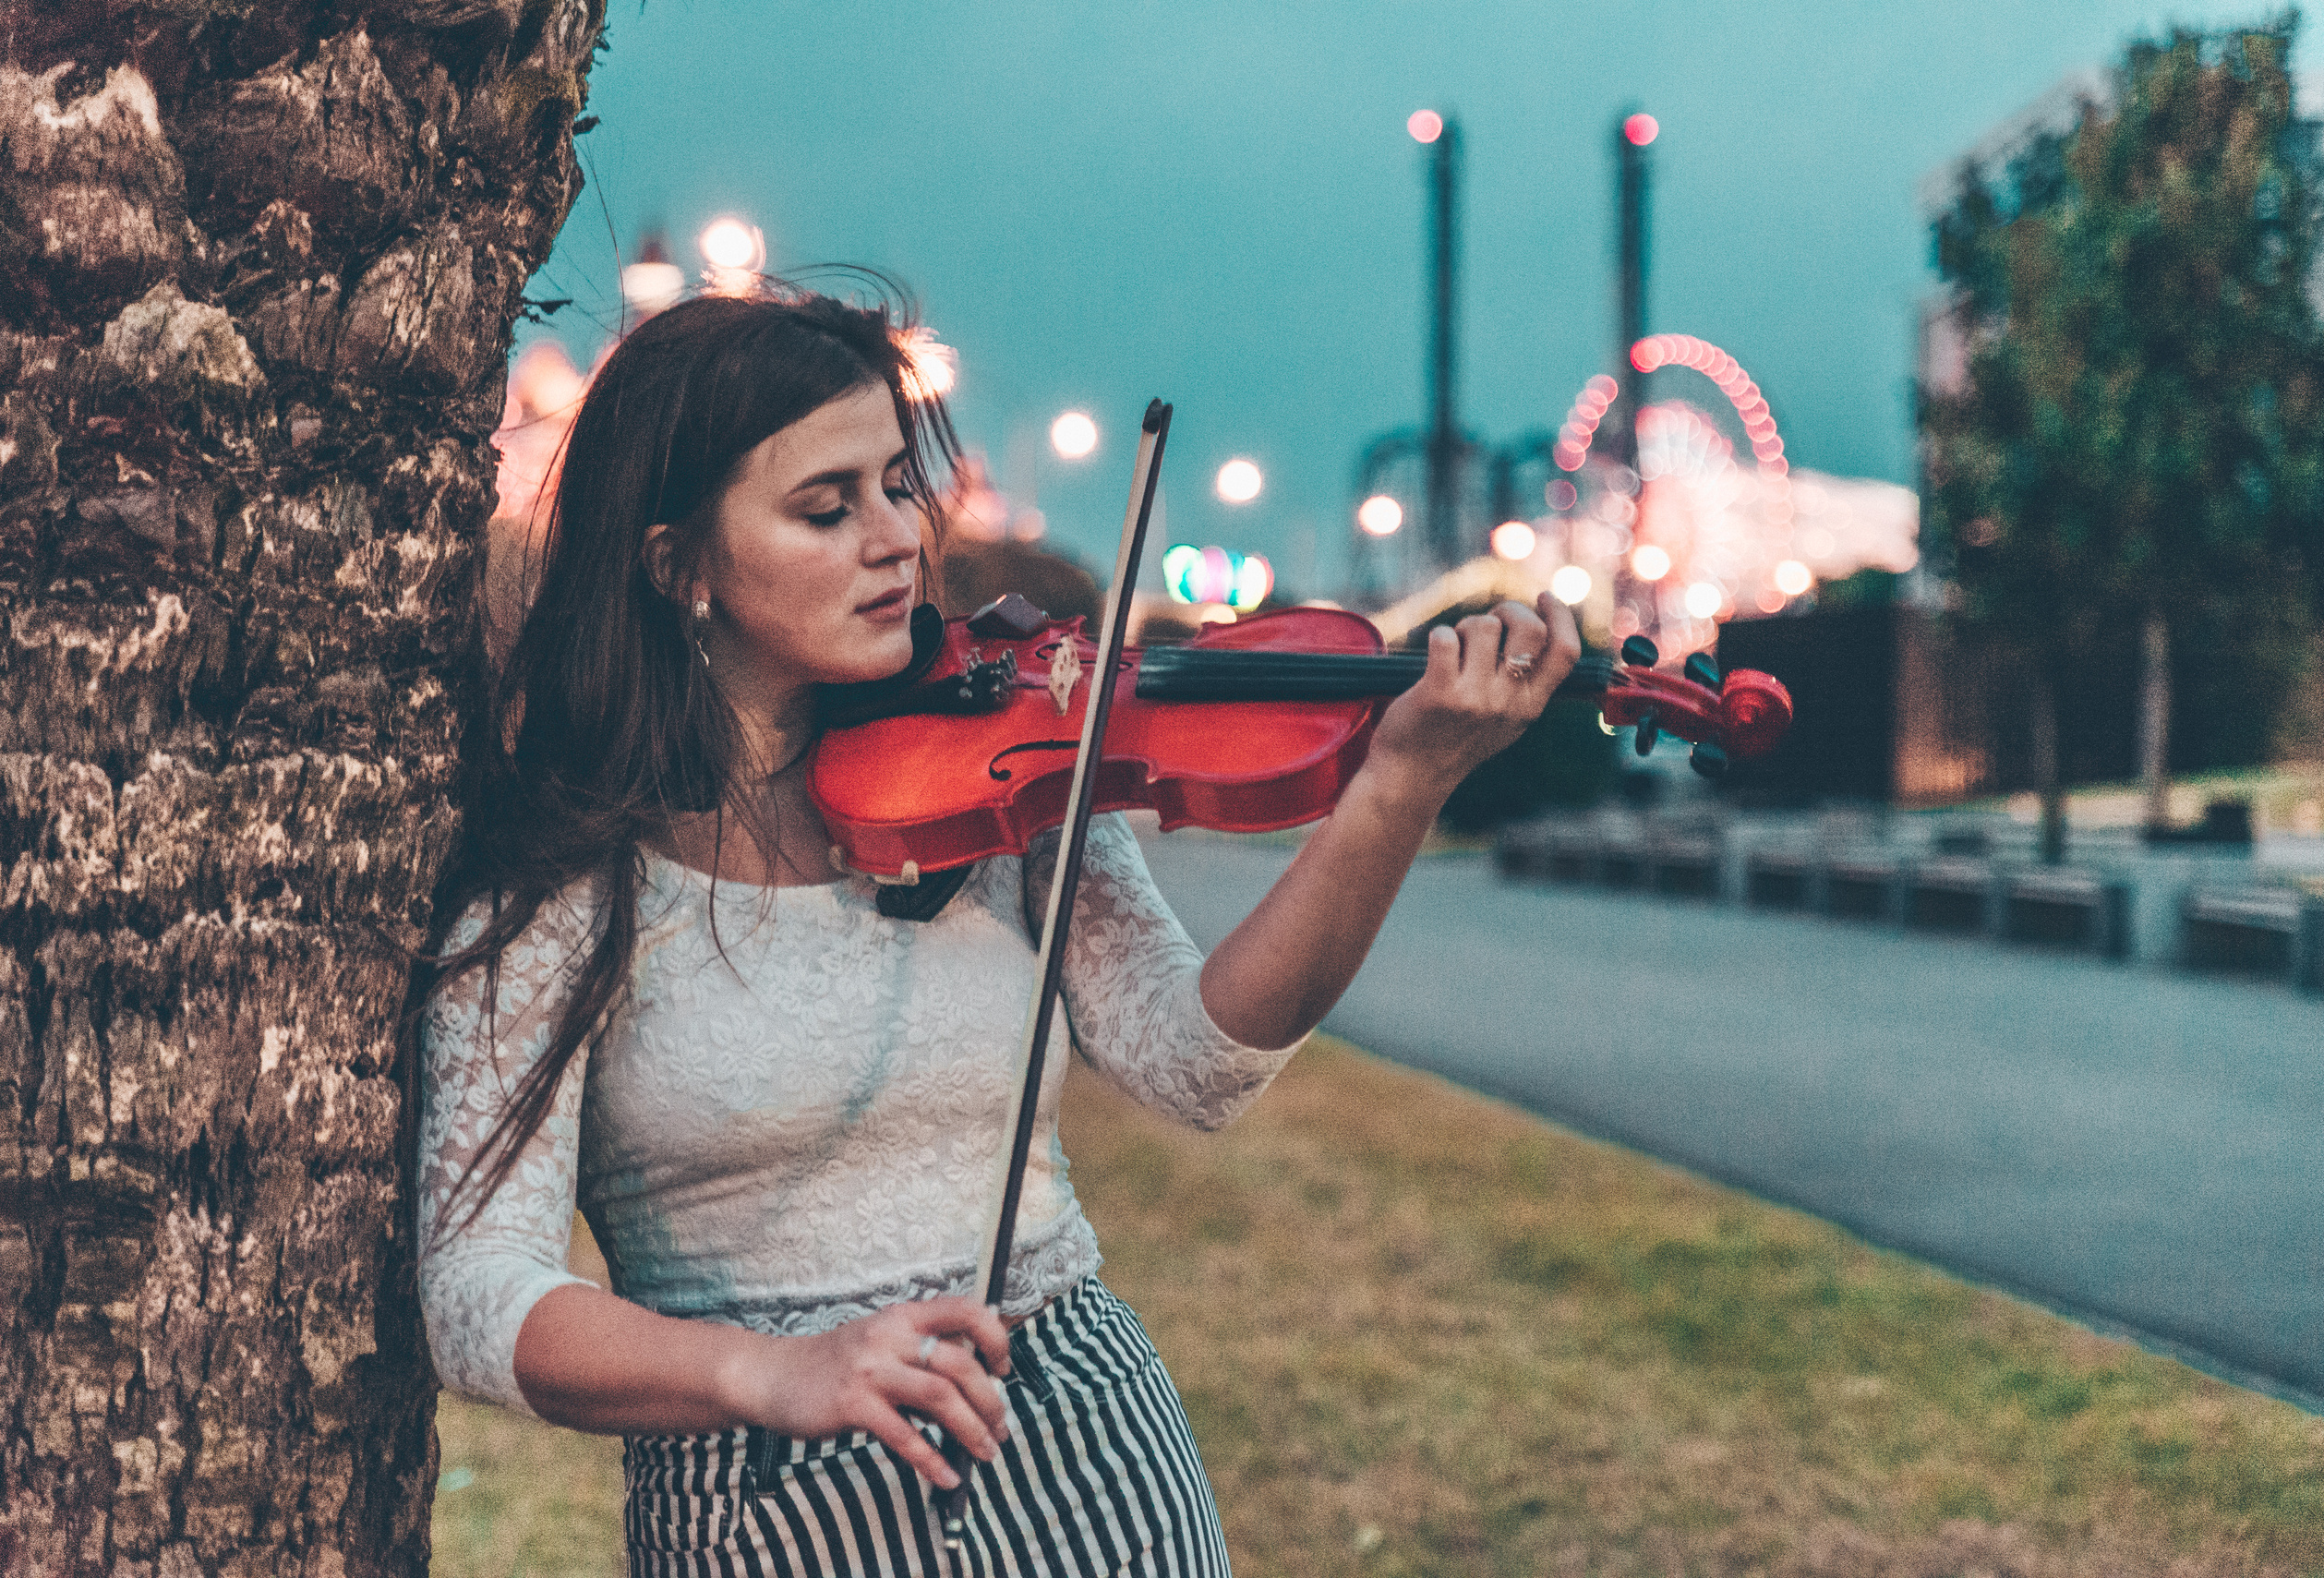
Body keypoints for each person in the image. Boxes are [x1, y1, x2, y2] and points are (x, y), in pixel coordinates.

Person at [417, 287, 1582, 1578]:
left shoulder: (1013, 779)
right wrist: (781, 1372)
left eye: (897, 487)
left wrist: (1401, 787)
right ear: (676, 563)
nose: (897, 541)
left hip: (1082, 1444)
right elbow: (478, 1293)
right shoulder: (563, 883)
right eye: (826, 507)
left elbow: (1197, 1063)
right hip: (765, 1504)